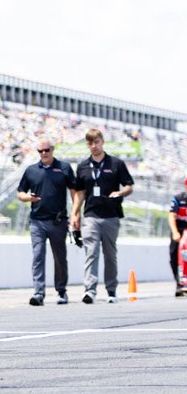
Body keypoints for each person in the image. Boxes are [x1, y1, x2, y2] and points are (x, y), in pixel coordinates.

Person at [71, 129, 135, 303]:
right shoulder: (83, 166)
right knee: (91, 252)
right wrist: (74, 213)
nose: (94, 146)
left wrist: (121, 193)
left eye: (96, 142)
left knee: (110, 254)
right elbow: (80, 192)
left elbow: (129, 186)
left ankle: (111, 290)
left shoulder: (116, 163)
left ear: (102, 142)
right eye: (90, 143)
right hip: (91, 214)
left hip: (111, 216)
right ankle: (90, 290)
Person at [16, 138, 76, 306]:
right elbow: (20, 192)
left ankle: (61, 291)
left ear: (53, 150)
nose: (44, 154)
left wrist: (75, 214)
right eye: (40, 151)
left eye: (46, 150)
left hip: (58, 221)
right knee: (38, 256)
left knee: (60, 257)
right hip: (37, 221)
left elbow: (74, 191)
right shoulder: (31, 170)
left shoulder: (64, 168)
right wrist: (27, 198)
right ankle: (38, 292)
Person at [167, 178, 187, 296]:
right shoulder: (178, 199)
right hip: (179, 230)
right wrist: (175, 232)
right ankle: (179, 283)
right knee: (174, 256)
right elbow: (171, 216)